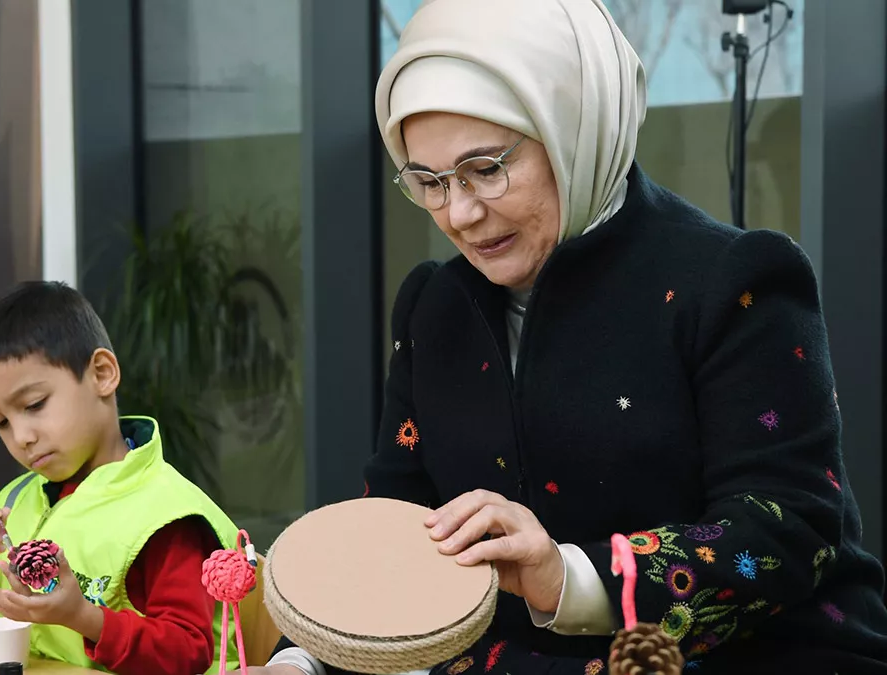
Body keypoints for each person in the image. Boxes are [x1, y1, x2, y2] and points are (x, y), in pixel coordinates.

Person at [256, 0, 887, 673]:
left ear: (573, 128)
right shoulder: (434, 306)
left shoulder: (730, 281)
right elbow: (394, 518)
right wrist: (301, 661)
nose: (461, 213)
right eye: (430, 182)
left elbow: (786, 527)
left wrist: (566, 575)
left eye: (487, 168)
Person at [0, 281, 242, 675]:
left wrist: (83, 616)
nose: (22, 436)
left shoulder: (168, 516)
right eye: (1, 423)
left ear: (102, 374)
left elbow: (187, 653)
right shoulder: (15, 500)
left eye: (34, 405)